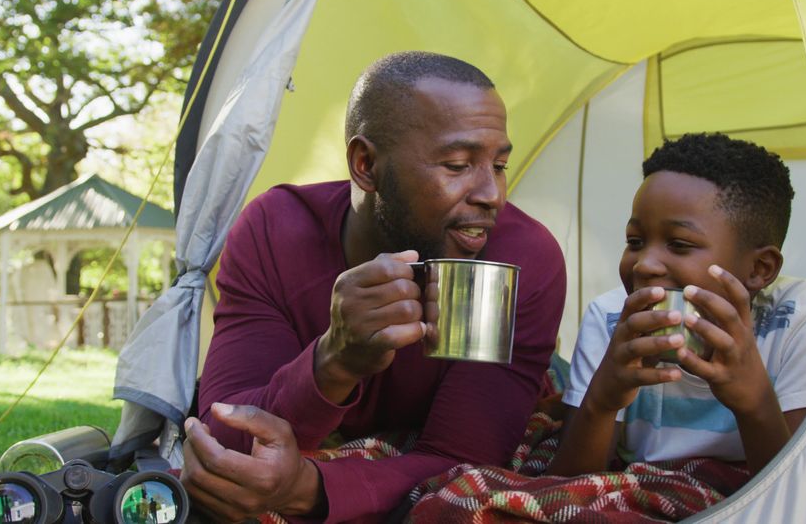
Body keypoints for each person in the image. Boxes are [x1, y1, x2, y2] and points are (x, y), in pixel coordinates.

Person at [180, 51, 566, 522]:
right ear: (366, 164)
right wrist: (334, 359)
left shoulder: (525, 258)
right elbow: (225, 447)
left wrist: (308, 488)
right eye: (458, 164)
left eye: (499, 166)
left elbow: (464, 461)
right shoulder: (273, 233)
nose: (492, 195)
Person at [547, 132, 806, 478]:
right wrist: (603, 398)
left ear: (759, 269)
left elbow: (805, 492)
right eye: (635, 241)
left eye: (678, 244)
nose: (644, 264)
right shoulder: (611, 317)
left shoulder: (802, 317)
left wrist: (753, 400)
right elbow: (569, 485)